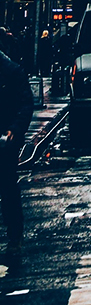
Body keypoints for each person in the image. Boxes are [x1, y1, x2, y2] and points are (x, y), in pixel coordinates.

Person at [0, 29, 33, 248]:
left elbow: (25, 103)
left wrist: (15, 129)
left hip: (5, 138)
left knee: (7, 184)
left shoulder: (11, 71)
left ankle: (15, 232)